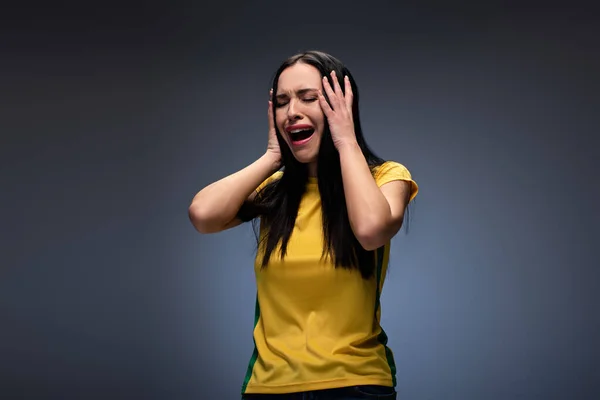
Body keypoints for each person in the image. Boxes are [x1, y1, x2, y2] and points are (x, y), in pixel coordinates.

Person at [188, 50, 419, 400]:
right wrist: (271, 156)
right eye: (282, 102)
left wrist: (345, 140)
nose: (292, 111)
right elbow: (203, 215)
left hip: (357, 385)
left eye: (309, 98)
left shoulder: (386, 178)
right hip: (270, 388)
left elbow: (371, 231)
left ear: (341, 106)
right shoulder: (274, 192)